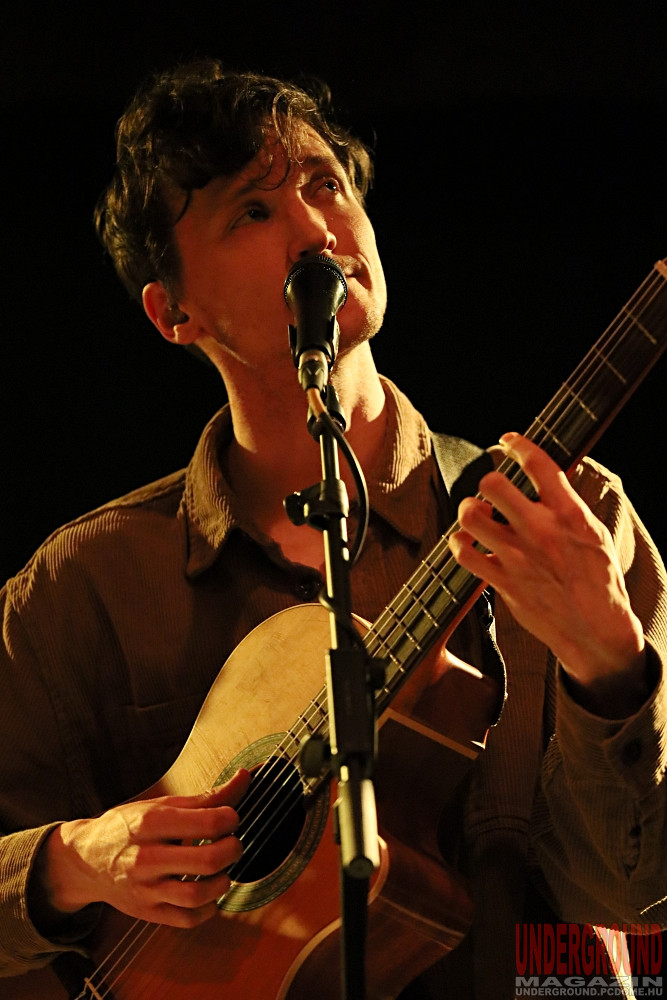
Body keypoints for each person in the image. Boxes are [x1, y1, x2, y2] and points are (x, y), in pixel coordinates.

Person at [0, 59, 665, 1000]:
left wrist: (611, 672)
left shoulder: (567, 521)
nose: (316, 229)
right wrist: (73, 862)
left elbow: (642, 908)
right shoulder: (88, 585)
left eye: (326, 185)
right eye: (252, 211)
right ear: (171, 311)